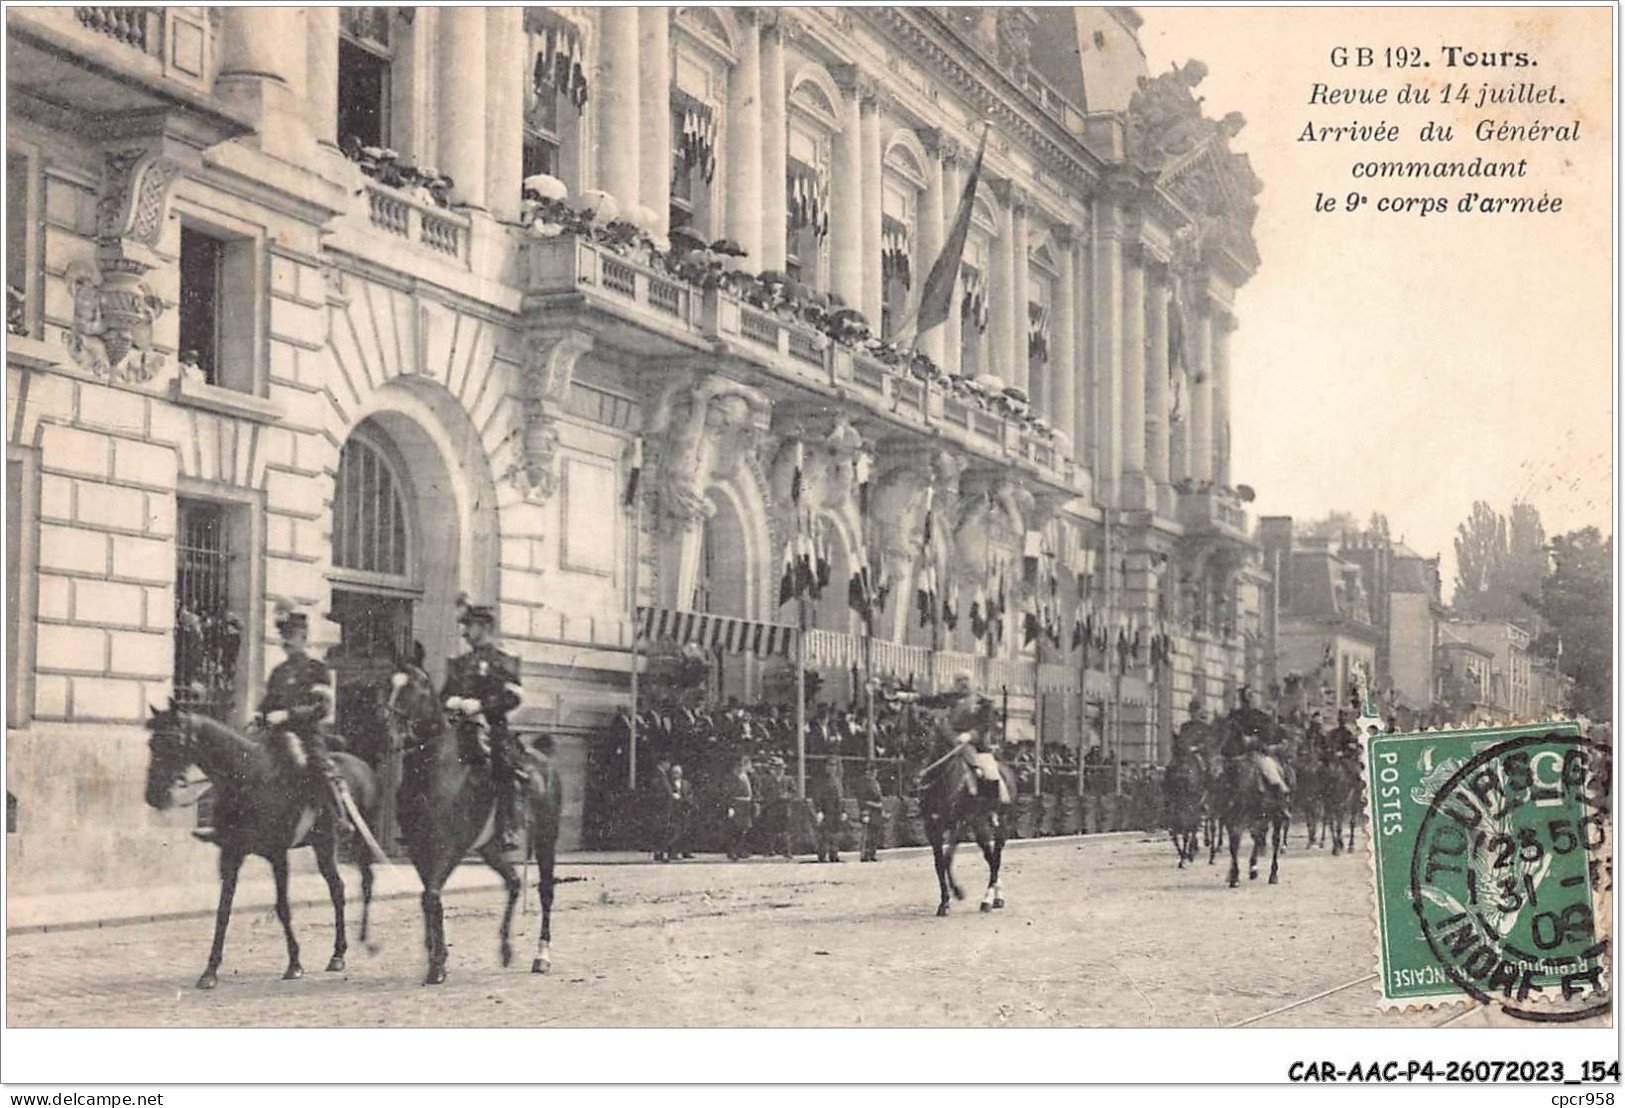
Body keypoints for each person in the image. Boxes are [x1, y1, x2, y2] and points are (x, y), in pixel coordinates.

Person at [236, 604, 346, 843]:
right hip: (276, 735)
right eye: (283, 635)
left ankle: (340, 817)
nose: (286, 640)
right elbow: (267, 704)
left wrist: (288, 715)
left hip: (307, 735)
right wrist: (259, 716)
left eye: (291, 635)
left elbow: (322, 708)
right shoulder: (278, 672)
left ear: (304, 637)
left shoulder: (317, 670)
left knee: (318, 766)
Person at [441, 602, 526, 857]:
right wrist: (450, 701)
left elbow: (514, 697)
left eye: (470, 626)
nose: (465, 632)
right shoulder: (460, 662)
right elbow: (444, 694)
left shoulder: (504, 660)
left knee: (503, 765)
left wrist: (481, 705)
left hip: (492, 728)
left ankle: (507, 828)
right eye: (464, 625)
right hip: (458, 728)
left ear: (485, 626)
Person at [812, 759, 846, 862]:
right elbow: (817, 796)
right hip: (826, 811)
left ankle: (834, 855)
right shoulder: (820, 781)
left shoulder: (838, 781)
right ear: (825, 767)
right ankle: (822, 856)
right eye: (830, 765)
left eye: (834, 766)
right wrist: (818, 810)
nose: (832, 768)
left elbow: (841, 797)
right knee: (824, 835)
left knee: (835, 835)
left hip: (836, 811)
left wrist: (843, 811)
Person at [726, 755, 755, 861]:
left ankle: (740, 850)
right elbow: (729, 793)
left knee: (744, 829)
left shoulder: (747, 777)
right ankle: (732, 851)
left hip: (746, 804)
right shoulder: (733, 777)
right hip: (737, 803)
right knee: (735, 828)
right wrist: (731, 807)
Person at [856, 764, 884, 862]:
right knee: (867, 834)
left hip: (876, 812)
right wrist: (866, 810)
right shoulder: (863, 783)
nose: (874, 774)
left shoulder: (875, 783)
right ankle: (865, 855)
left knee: (875, 834)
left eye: (875, 772)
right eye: (872, 771)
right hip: (868, 811)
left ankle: (872, 853)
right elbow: (862, 800)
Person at [668, 763, 694, 859]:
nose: (676, 774)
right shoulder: (669, 783)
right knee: (676, 831)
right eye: (674, 772)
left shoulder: (686, 783)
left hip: (685, 809)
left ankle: (686, 851)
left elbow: (690, 795)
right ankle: (673, 852)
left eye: (678, 772)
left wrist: (688, 802)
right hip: (674, 810)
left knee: (686, 830)